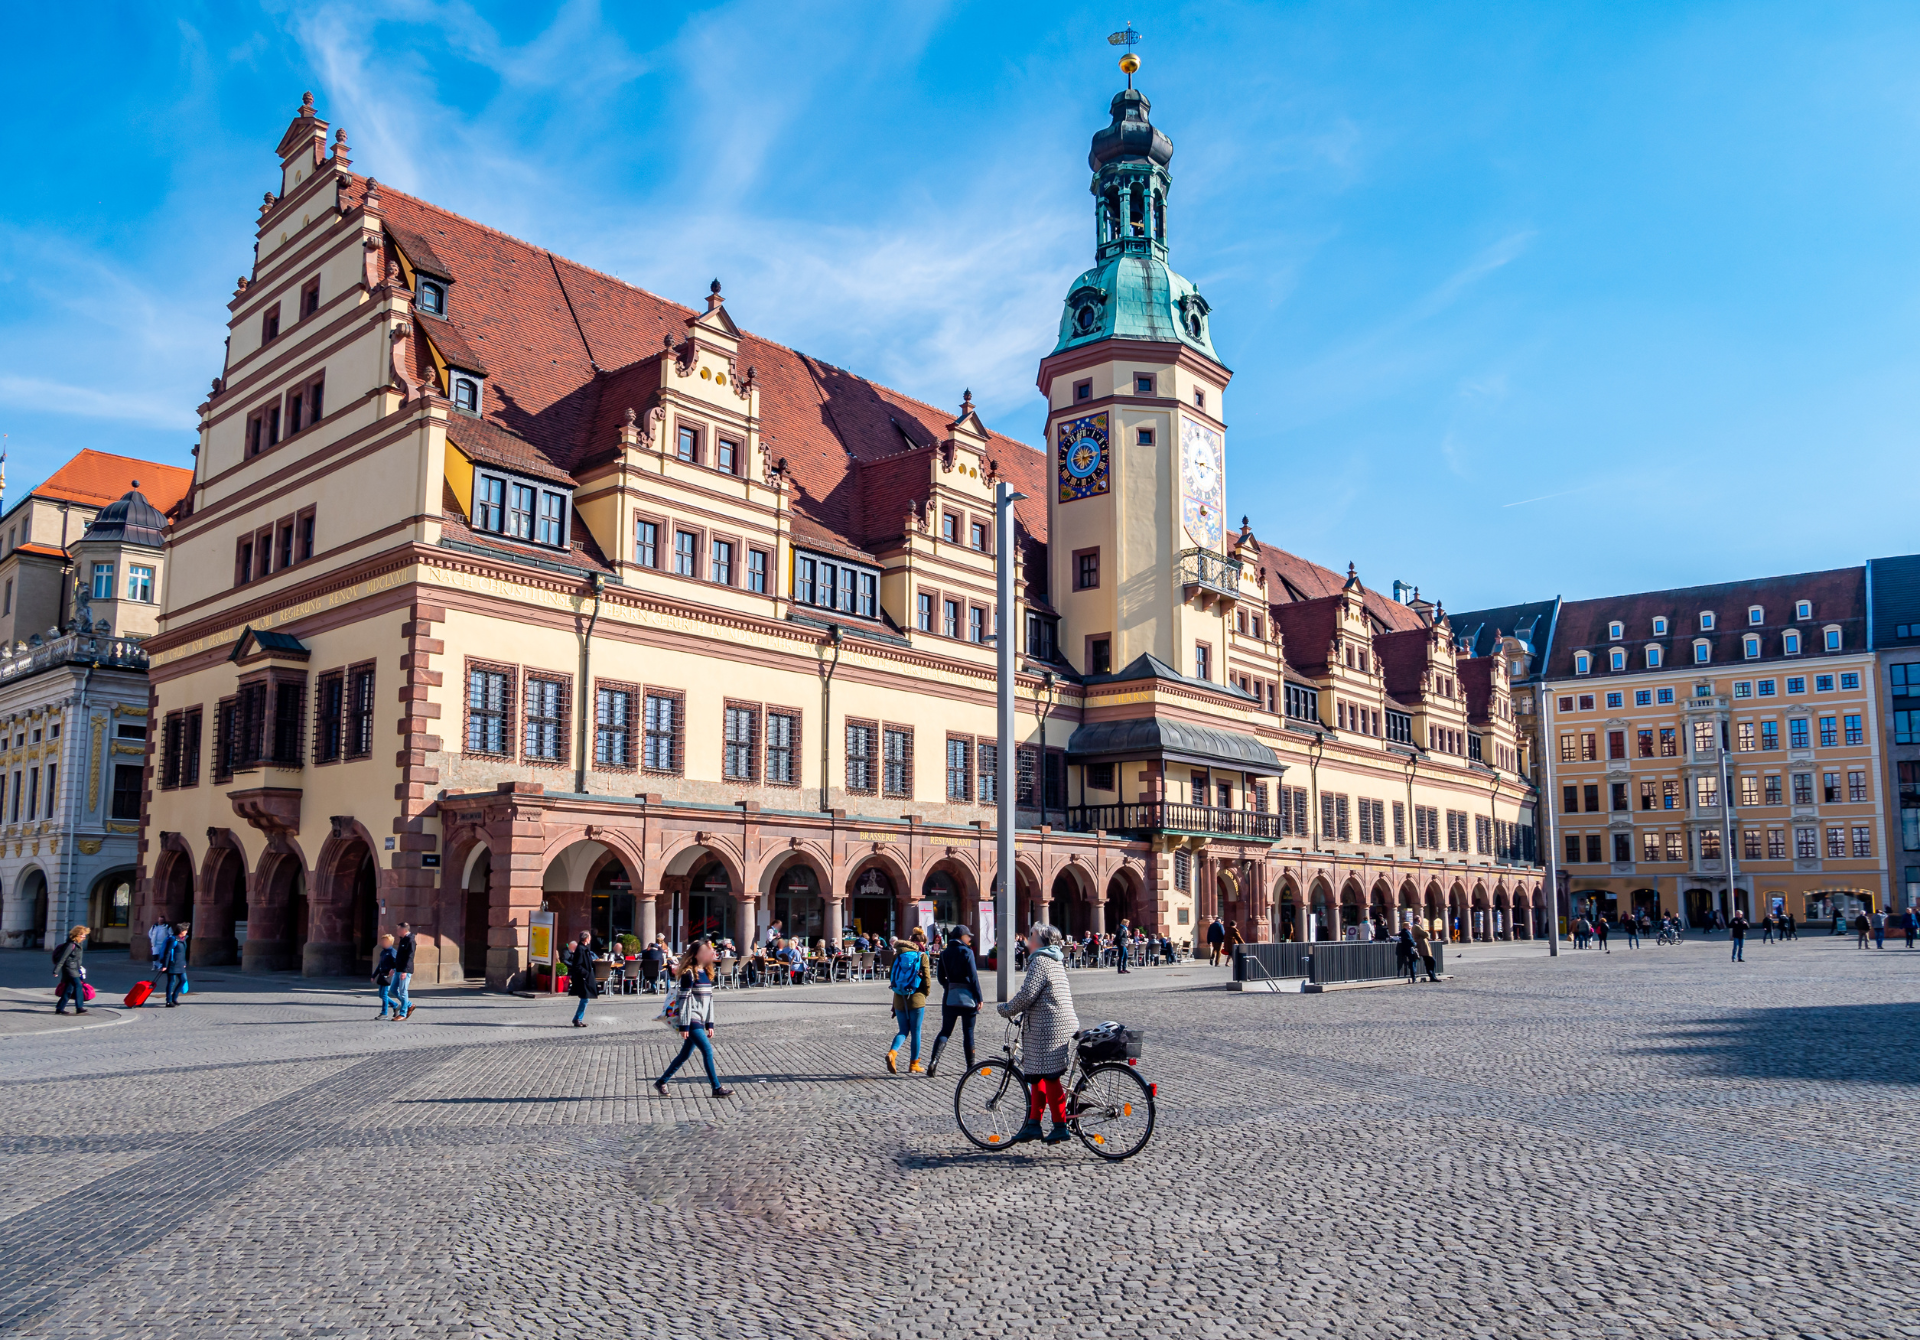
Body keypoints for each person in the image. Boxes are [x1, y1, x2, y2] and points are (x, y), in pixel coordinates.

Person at [997, 922, 1082, 1146]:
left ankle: (1060, 1126)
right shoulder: (1054, 959)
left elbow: (1027, 995)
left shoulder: (1041, 962)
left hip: (1049, 1028)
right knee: (1037, 1074)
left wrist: (1005, 1009)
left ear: (1041, 941)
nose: (1027, 941)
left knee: (1050, 1075)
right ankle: (1033, 1124)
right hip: (1054, 1025)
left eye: (1031, 936)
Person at [654, 940, 733, 1098]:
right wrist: (684, 1025)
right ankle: (716, 1087)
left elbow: (709, 1000)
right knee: (707, 1050)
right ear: (696, 954)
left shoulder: (705, 972)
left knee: (684, 1055)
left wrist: (710, 1023)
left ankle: (661, 1082)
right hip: (691, 1020)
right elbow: (684, 1001)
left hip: (700, 1019)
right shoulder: (688, 974)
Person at [928, 923, 984, 1077]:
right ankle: (970, 1067)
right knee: (968, 1032)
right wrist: (979, 997)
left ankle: (934, 1061)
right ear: (962, 937)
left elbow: (940, 977)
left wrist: (949, 986)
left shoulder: (945, 953)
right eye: (968, 936)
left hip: (950, 996)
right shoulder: (967, 952)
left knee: (945, 1031)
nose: (969, 939)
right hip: (968, 997)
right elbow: (973, 977)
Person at [887, 927, 931, 1074]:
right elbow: (926, 979)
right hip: (916, 997)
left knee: (903, 1030)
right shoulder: (922, 955)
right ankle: (913, 1064)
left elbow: (892, 975)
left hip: (899, 997)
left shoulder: (897, 955)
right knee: (916, 1031)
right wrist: (925, 994)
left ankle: (892, 1053)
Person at [52, 925, 89, 1015]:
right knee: (78, 986)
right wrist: (56, 970)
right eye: (82, 935)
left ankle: (59, 1008)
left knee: (69, 989)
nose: (84, 937)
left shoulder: (79, 945)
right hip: (69, 969)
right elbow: (62, 958)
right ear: (77, 935)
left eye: (85, 935)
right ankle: (79, 1007)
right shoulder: (70, 945)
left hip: (75, 969)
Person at [567, 931, 598, 1026]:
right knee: (585, 999)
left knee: (585, 999)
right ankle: (577, 1019)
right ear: (586, 939)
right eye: (589, 937)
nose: (590, 939)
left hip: (585, 978)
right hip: (583, 979)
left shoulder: (584, 948)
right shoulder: (580, 949)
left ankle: (577, 1018)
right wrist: (586, 974)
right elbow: (577, 965)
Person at [392, 922, 418, 1020]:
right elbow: (399, 956)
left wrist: (405, 971)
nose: (397, 932)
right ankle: (409, 1005)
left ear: (404, 930)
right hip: (398, 969)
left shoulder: (410, 940)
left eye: (399, 929)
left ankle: (403, 1014)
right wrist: (393, 967)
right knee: (393, 989)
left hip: (405, 970)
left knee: (403, 991)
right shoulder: (403, 939)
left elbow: (410, 957)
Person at [161, 924, 191, 1007]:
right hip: (172, 964)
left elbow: (182, 953)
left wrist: (184, 963)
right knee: (171, 982)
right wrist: (164, 965)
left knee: (183, 980)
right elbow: (168, 952)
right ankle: (168, 1001)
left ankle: (174, 997)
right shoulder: (173, 939)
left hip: (180, 964)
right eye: (185, 930)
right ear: (181, 931)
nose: (186, 932)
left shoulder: (183, 939)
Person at [372, 933, 399, 1019]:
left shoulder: (392, 952)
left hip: (389, 976)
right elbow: (380, 965)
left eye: (384, 941)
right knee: (381, 994)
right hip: (382, 975)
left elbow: (397, 963)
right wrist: (374, 975)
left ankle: (384, 1013)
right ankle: (395, 1005)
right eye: (382, 941)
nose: (382, 943)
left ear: (389, 942)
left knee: (384, 994)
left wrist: (393, 969)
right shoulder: (383, 952)